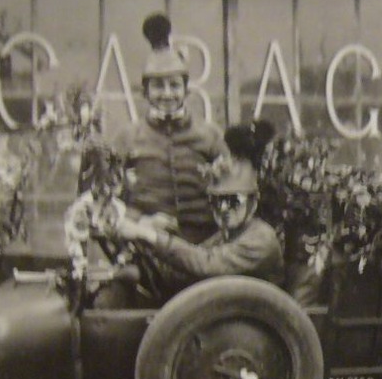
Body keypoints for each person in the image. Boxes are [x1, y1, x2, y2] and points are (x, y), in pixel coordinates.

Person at [114, 120, 284, 290]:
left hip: (251, 315)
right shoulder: (227, 235)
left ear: (253, 202)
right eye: (217, 201)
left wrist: (149, 235)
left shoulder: (261, 239)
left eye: (234, 201)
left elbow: (206, 264)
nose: (224, 209)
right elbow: (182, 274)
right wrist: (142, 266)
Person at [116, 13, 226, 248]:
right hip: (147, 248)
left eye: (175, 85)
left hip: (206, 248)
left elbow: (233, 190)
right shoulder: (127, 139)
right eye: (157, 86)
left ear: (186, 90)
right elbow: (103, 202)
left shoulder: (210, 136)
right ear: (145, 92)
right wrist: (140, 221)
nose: (167, 94)